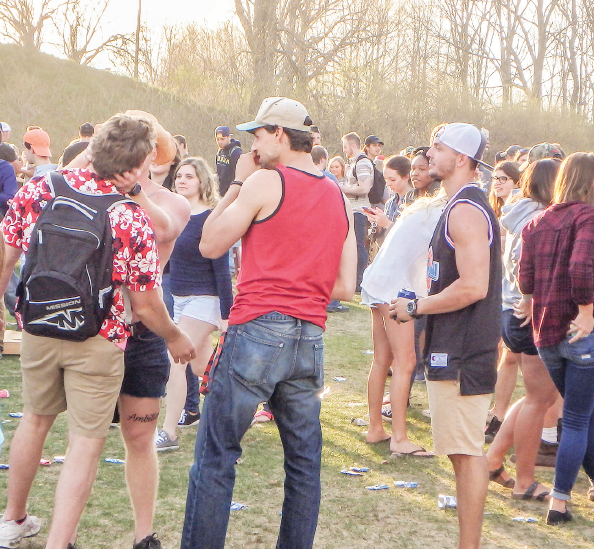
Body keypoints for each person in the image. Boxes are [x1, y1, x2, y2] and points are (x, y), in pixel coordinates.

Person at [0, 113, 195, 549]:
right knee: (86, 441)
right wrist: (174, 336)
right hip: (100, 337)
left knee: (34, 419)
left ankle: (12, 521)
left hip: (39, 327)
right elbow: (145, 304)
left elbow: (6, 255)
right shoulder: (130, 216)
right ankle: (58, 542)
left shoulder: (42, 188)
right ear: (139, 163)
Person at [181, 96, 356, 549]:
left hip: (259, 326)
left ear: (279, 134)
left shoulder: (264, 181)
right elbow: (346, 285)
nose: (252, 145)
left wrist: (237, 185)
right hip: (309, 335)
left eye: (257, 134)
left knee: (216, 457)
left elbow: (209, 244)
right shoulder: (337, 193)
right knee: (304, 465)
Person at [391, 123, 501, 549]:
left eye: (439, 147)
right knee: (460, 450)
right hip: (453, 345)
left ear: (462, 158)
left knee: (466, 451)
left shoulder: (466, 209)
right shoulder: (458, 204)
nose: (430, 154)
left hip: (462, 349)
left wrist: (417, 307)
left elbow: (475, 286)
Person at [111, 110, 191, 549]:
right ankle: (26, 521)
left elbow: (167, 227)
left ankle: (145, 535)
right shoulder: (94, 190)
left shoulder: (169, 199)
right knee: (74, 433)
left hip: (142, 330)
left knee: (139, 434)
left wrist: (137, 190)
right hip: (93, 328)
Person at [517, 152, 594, 525]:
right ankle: (559, 503)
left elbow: (524, 280)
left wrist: (530, 299)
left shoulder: (537, 223)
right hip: (579, 331)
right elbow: (581, 267)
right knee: (579, 419)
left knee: (583, 415)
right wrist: (587, 309)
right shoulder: (588, 216)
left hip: (546, 334)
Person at [486, 158, 562, 501]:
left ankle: (494, 458)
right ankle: (524, 481)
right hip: (526, 312)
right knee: (538, 400)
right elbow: (527, 271)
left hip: (512, 310)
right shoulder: (538, 218)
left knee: (538, 396)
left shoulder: (520, 212)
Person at [361, 177, 444, 453]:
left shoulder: (422, 211)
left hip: (377, 281)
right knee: (406, 362)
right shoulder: (444, 215)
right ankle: (399, 438)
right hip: (396, 289)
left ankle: (375, 429)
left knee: (382, 359)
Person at [156, 157, 232, 451]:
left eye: (189, 176)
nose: (182, 180)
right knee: (204, 368)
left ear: (202, 181)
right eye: (179, 176)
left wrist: (226, 314)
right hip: (179, 300)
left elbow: (222, 270)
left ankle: (169, 433)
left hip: (206, 300)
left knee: (175, 360)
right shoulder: (173, 216)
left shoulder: (209, 219)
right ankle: (241, 407)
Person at [341, 132, 373, 291]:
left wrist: (343, 188)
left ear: (354, 146)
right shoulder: (354, 163)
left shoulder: (362, 163)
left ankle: (359, 282)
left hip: (359, 210)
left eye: (345, 147)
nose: (344, 150)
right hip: (353, 209)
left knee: (358, 245)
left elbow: (364, 187)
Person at [215, 125, 242, 196]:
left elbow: (239, 175)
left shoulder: (236, 152)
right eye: (218, 139)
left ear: (229, 137)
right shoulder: (219, 152)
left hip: (231, 193)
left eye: (222, 139)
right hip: (220, 192)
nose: (219, 142)